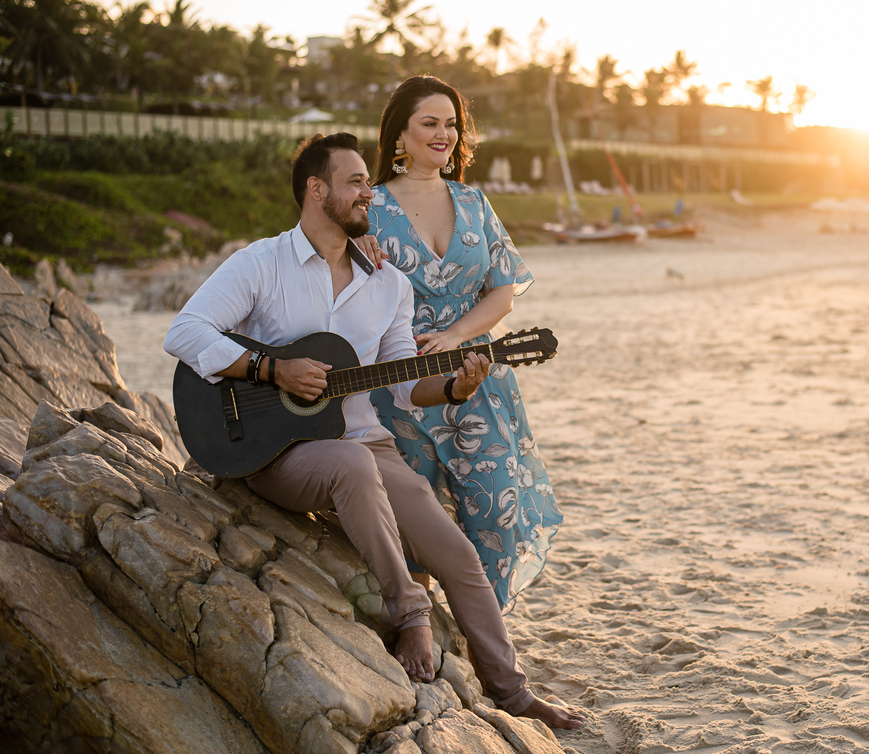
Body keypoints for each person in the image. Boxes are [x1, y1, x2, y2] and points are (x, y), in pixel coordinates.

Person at [163, 132, 584, 730]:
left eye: (368, 181)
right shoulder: (262, 263)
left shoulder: (388, 284)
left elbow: (407, 386)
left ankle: (513, 692)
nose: (369, 192)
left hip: (365, 441)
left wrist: (456, 388)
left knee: (459, 555)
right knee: (352, 465)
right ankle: (410, 613)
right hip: (273, 451)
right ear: (316, 190)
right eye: (356, 182)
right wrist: (271, 370)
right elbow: (184, 332)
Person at [366, 75, 563, 613]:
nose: (444, 134)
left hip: (479, 374)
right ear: (399, 135)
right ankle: (422, 627)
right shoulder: (370, 209)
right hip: (398, 382)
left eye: (451, 124)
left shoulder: (474, 202)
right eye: (429, 123)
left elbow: (503, 293)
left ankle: (488, 636)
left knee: (495, 508)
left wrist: (455, 335)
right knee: (415, 518)